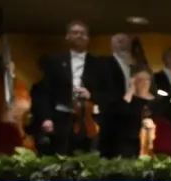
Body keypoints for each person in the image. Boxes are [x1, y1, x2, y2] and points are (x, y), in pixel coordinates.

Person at [30, 21, 122, 155]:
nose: (80, 36)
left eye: (83, 33)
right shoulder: (54, 61)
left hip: (90, 121)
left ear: (88, 38)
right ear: (67, 36)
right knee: (59, 158)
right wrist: (46, 118)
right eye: (75, 33)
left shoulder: (100, 64)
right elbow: (44, 93)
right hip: (61, 118)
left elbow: (111, 94)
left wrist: (91, 95)